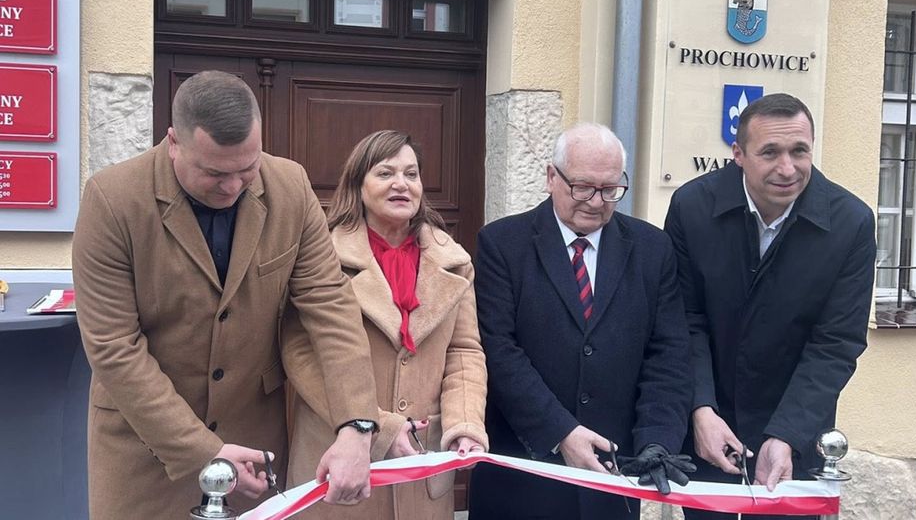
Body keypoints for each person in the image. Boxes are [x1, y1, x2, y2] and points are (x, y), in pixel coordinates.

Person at [72, 70, 380, 519]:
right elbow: (114, 347)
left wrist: (357, 424)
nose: (234, 187)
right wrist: (203, 450)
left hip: (255, 447)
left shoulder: (290, 186)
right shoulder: (112, 200)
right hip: (144, 450)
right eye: (214, 172)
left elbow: (330, 306)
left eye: (247, 168)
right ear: (173, 141)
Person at [664, 93, 875, 520]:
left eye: (800, 151)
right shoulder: (692, 208)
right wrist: (699, 408)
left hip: (796, 434)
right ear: (738, 154)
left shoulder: (851, 223)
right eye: (770, 152)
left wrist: (787, 435)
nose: (788, 168)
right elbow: (685, 320)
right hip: (710, 431)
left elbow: (835, 343)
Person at [469, 123, 694, 519]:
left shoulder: (652, 249)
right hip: (522, 477)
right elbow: (499, 352)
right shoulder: (501, 244)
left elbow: (669, 355)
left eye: (610, 190)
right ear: (551, 177)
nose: (596, 201)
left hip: (611, 481)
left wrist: (657, 442)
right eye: (583, 187)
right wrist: (561, 434)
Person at [282, 130, 488, 519]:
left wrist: (464, 425)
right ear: (357, 184)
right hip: (340, 459)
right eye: (385, 173)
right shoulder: (321, 257)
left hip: (421, 467)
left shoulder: (454, 260)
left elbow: (464, 352)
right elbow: (300, 354)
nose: (401, 184)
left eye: (411, 174)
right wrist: (378, 426)